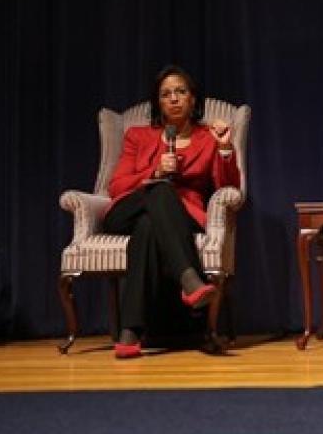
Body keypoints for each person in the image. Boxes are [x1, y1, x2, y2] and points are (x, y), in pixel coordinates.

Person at [101, 65, 241, 358]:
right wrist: (153, 172)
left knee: (147, 228)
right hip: (127, 209)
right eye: (166, 94)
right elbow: (116, 186)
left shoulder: (207, 139)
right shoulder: (137, 136)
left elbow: (228, 188)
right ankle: (190, 280)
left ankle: (130, 332)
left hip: (179, 216)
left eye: (181, 92)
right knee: (161, 189)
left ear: (193, 100)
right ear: (159, 103)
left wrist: (226, 149)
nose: (174, 99)